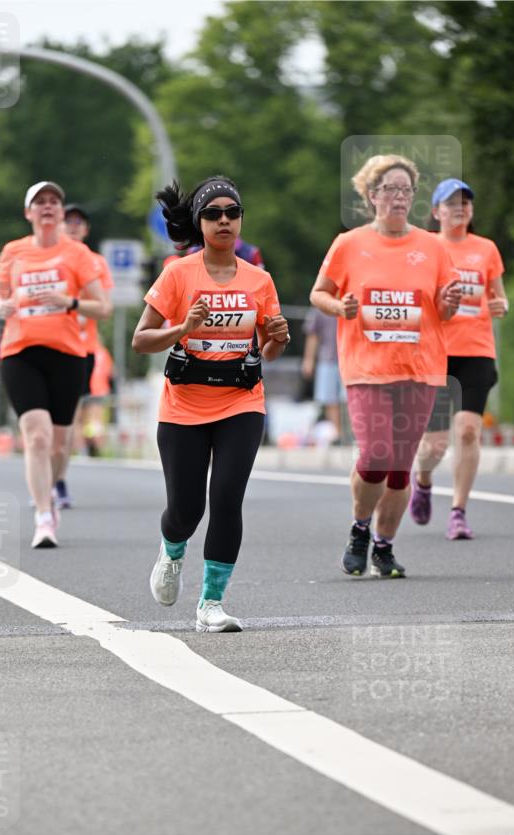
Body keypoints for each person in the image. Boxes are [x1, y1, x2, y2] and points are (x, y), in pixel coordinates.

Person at [133, 175, 290, 632]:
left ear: (241, 220)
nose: (224, 221)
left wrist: (278, 338)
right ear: (199, 223)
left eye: (232, 213)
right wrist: (181, 328)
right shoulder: (179, 274)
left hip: (241, 402)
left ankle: (211, 604)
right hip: (184, 407)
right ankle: (172, 549)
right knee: (186, 510)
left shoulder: (260, 280)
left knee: (226, 498)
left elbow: (268, 350)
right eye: (213, 214)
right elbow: (141, 340)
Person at [310, 154, 461, 578]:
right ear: (372, 195)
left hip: (421, 368)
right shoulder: (349, 243)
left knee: (399, 467)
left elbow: (444, 310)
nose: (399, 197)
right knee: (376, 454)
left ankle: (384, 545)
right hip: (366, 368)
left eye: (406, 190)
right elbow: (318, 293)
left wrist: (448, 305)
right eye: (390, 189)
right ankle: (360, 527)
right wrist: (341, 306)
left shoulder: (432, 246)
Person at [0, 181, 111, 548]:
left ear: (60, 212)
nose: (47, 206)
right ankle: (44, 516)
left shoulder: (76, 253)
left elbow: (102, 307)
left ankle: (51, 492)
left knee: (59, 444)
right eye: (39, 202)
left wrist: (68, 301)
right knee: (36, 436)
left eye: (54, 202)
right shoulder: (14, 251)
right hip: (20, 351)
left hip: (67, 354)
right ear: (28, 213)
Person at [410, 179, 508, 539]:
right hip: (435, 352)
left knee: (468, 431)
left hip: (477, 350)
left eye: (465, 202)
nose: (459, 208)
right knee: (434, 444)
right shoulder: (424, 247)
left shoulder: (486, 249)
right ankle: (422, 481)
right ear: (436, 211)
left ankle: (458, 511)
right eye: (450, 203)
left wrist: (502, 305)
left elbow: (499, 297)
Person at [54, 202, 114, 507]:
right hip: (46, 345)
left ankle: (58, 481)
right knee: (49, 423)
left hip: (80, 349)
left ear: (86, 229)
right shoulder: (47, 257)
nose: (74, 225)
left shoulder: (96, 264)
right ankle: (51, 479)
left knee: (68, 417)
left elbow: (104, 308)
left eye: (79, 221)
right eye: (68, 220)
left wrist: (72, 301)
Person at [301, 305, 343, 440]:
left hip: (349, 359)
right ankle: (337, 434)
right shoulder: (319, 307)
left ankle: (350, 434)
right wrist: (308, 360)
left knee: (348, 399)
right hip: (327, 358)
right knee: (330, 399)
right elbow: (313, 335)